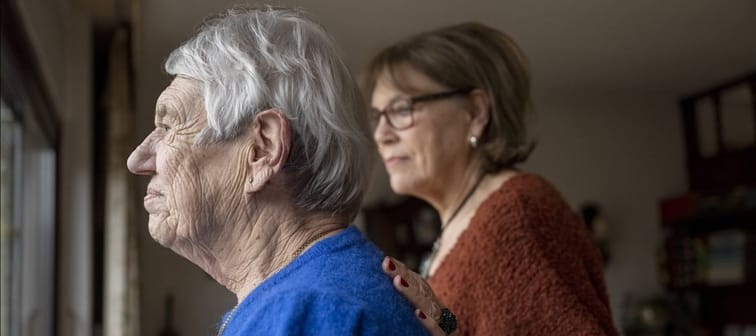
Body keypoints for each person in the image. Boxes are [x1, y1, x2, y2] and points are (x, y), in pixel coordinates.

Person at [126, 7, 427, 336]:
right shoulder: (314, 294)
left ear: (262, 149)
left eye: (168, 127)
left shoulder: (306, 311)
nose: (138, 160)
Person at [362, 22, 617, 335]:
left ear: (476, 112)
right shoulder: (462, 227)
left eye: (401, 109)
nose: (381, 135)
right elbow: (462, 327)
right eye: (377, 117)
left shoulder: (516, 212)